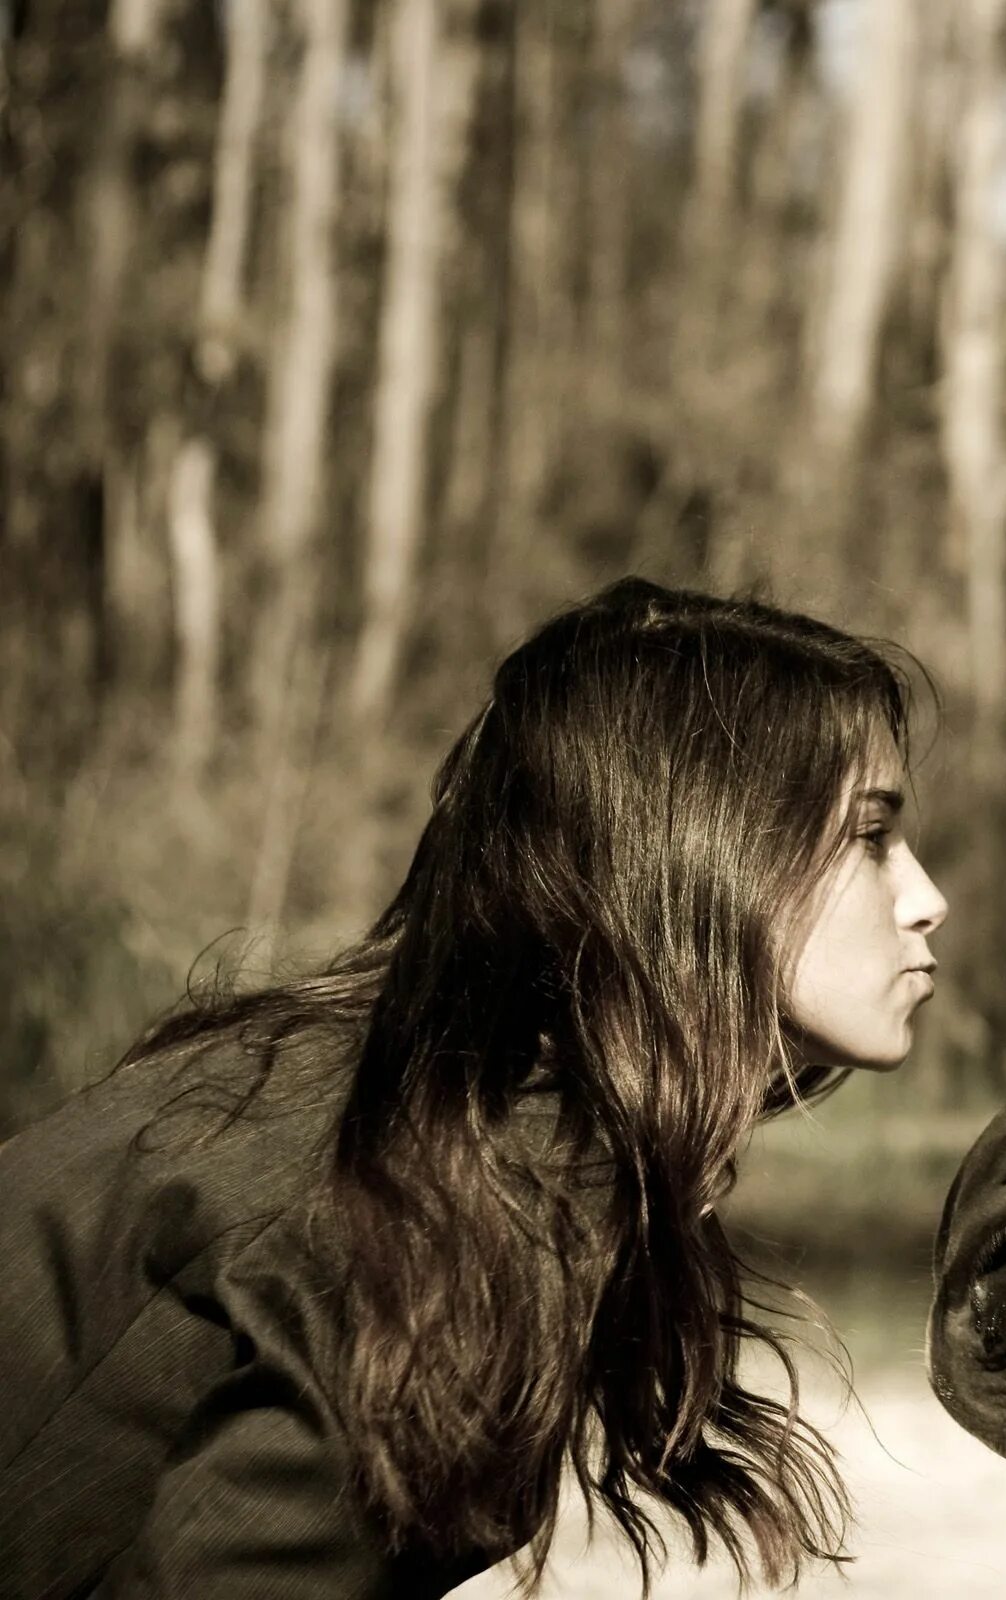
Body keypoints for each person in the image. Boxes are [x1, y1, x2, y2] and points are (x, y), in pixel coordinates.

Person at [0, 580, 948, 1597]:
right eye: (870, 835)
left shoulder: (395, 1079)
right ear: (705, 851)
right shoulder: (472, 1185)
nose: (926, 899)